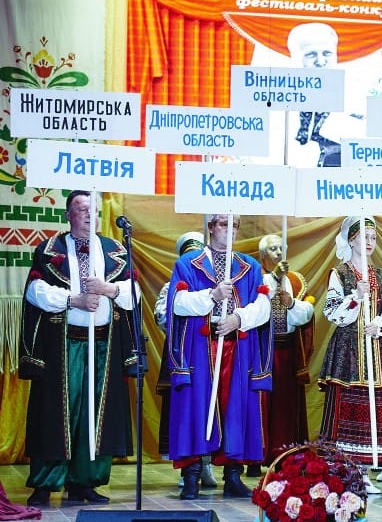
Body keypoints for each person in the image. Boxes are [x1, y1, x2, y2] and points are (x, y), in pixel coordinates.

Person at [19, 190, 140, 508]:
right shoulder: (49, 251)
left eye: (93, 209)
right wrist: (74, 300)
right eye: (81, 208)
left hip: (104, 346)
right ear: (68, 214)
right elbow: (35, 291)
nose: (89, 214)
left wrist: (107, 288)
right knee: (56, 414)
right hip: (64, 344)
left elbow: (134, 294)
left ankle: (84, 483)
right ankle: (45, 483)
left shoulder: (116, 250)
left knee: (95, 417)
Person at [166, 214, 271, 500]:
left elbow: (263, 306)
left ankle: (233, 476)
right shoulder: (188, 264)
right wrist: (211, 296)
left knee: (236, 408)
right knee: (195, 408)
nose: (230, 230)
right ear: (210, 228)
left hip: (237, 348)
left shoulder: (250, 267)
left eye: (234, 225)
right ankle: (191, 476)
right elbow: (176, 303)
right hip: (200, 349)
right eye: (224, 224)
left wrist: (238, 318)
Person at [318, 216, 382, 494]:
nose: (368, 242)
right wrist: (355, 296)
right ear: (351, 239)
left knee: (373, 410)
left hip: (377, 351)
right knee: (348, 408)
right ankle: (346, 472)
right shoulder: (339, 273)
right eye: (363, 236)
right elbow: (331, 312)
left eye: (373, 237)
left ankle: (366, 470)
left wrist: (381, 325)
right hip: (348, 352)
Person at [154, 231, 218, 490]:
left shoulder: (214, 282)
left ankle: (207, 463)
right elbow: (162, 315)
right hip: (182, 353)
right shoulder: (172, 285)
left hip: (210, 354)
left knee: (211, 409)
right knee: (183, 412)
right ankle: (187, 468)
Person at [254, 234, 315, 475]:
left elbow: (306, 314)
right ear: (262, 256)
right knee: (262, 404)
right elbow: (255, 308)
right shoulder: (255, 278)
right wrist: (274, 279)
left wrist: (291, 304)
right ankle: (257, 455)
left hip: (288, 350)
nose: (278, 252)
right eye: (272, 249)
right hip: (261, 350)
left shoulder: (296, 280)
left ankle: (287, 456)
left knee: (287, 406)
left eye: (281, 248)